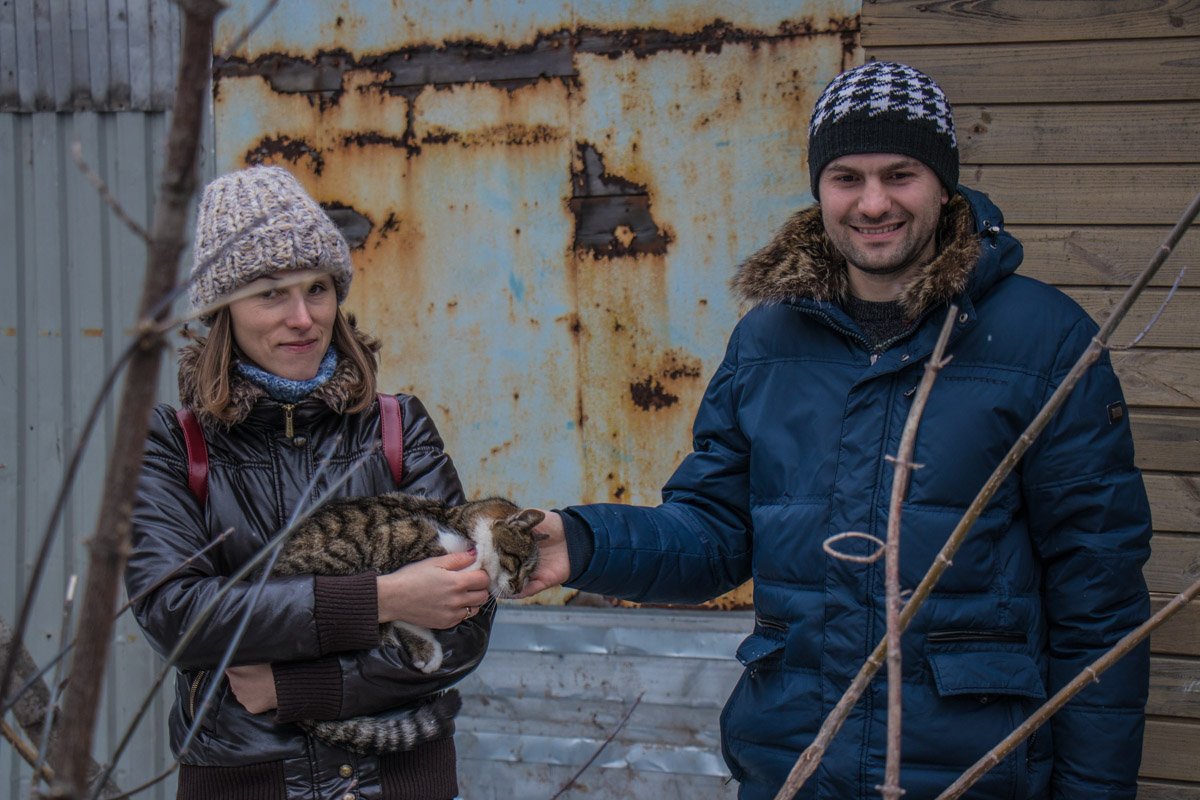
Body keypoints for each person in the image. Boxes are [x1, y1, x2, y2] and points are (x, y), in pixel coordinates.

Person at [521, 61, 1152, 799]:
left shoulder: (1043, 341)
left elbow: (1097, 597)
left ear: (942, 183)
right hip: (795, 761)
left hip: (971, 769)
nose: (873, 202)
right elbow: (717, 534)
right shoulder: (767, 340)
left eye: (900, 174)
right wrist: (586, 541)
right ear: (820, 187)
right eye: (846, 176)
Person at [126, 165, 492, 800]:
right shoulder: (172, 443)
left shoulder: (396, 427)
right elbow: (178, 615)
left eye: (318, 289)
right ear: (223, 309)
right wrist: (384, 599)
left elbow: (464, 622)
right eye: (271, 293)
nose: (303, 318)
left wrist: (294, 688)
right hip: (248, 780)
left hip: (402, 779)